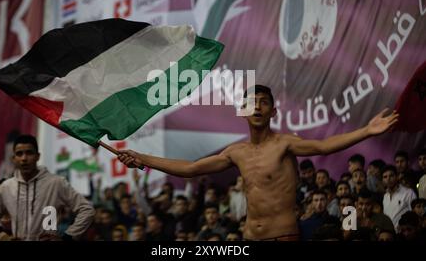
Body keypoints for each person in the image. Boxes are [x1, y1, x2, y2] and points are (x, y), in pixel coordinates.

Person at [118, 85, 399, 241]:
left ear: (273, 111)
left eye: (264, 102)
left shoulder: (285, 143)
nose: (257, 106)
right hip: (249, 236)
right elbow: (191, 169)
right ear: (243, 110)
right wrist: (142, 159)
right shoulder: (236, 152)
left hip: (283, 235)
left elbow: (324, 145)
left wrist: (367, 130)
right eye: (251, 102)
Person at [0, 135, 95, 241]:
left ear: (38, 156)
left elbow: (87, 210)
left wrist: (67, 237)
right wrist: (1, 236)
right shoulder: (6, 187)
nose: (24, 158)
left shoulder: (56, 183)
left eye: (29, 153)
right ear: (14, 158)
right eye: (19, 154)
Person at [382, 165, 417, 229]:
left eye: (391, 176)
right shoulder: (385, 197)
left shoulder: (408, 193)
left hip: (404, 234)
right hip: (389, 234)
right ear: (382, 180)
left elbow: (415, 214)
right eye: (385, 177)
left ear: (397, 177)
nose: (388, 179)